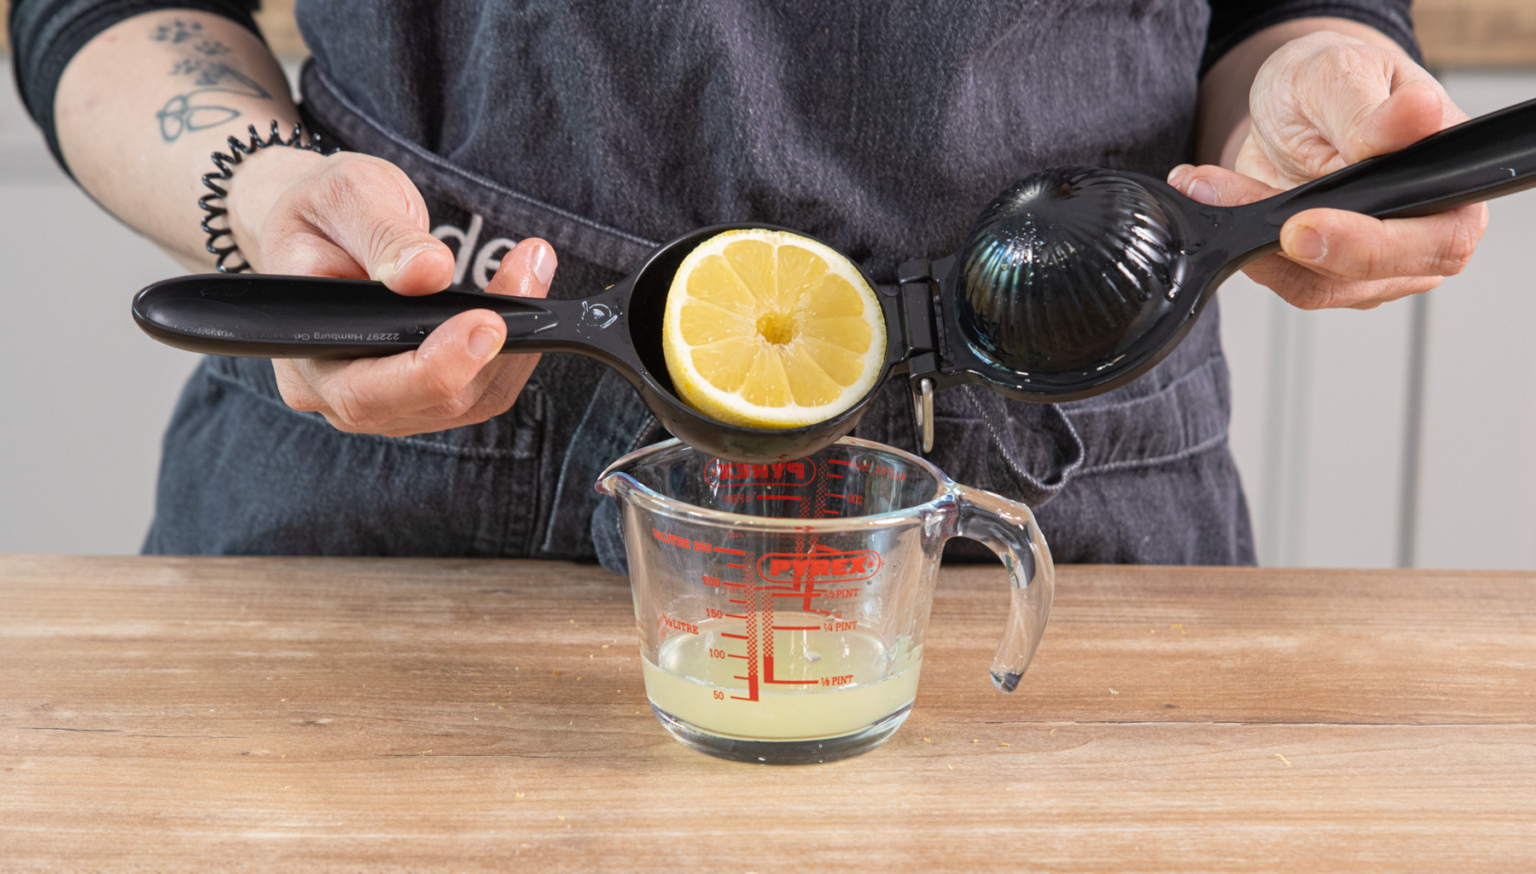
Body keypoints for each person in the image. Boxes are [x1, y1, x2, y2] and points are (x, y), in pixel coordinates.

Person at [10, 0, 1488, 566]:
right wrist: (262, 196)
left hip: (1061, 489)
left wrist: (1306, 82)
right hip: (411, 453)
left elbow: (1288, 8)